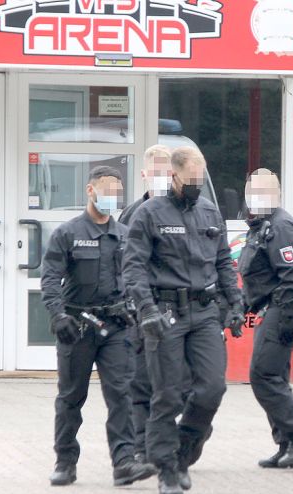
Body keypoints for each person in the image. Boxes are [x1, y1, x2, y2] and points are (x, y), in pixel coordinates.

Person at [121, 146, 245, 494]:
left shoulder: (209, 212)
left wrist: (235, 304)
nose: (196, 185)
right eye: (190, 178)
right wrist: (145, 310)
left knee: (211, 389)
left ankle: (183, 452)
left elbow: (224, 262)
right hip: (165, 311)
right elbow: (133, 267)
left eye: (200, 178)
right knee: (167, 394)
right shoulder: (149, 214)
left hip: (205, 312)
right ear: (174, 175)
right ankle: (166, 469)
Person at [40, 166, 157, 488]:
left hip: (117, 328)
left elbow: (136, 277)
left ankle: (124, 463)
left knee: (121, 394)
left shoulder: (124, 235)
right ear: (90, 191)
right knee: (71, 397)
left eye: (116, 193)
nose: (112, 199)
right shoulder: (68, 233)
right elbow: (50, 279)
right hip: (77, 327)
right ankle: (65, 461)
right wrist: (57, 315)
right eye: (106, 191)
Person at [238, 169, 293, 469]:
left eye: (262, 192)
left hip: (284, 309)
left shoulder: (280, 227)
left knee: (262, 375)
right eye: (251, 191)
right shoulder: (259, 226)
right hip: (270, 309)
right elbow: (258, 277)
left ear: (276, 194)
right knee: (276, 377)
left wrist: (284, 320)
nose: (254, 198)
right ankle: (286, 444)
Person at [118, 144, 174, 463]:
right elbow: (122, 262)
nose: (160, 178)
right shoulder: (131, 214)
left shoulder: (191, 211)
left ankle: (184, 434)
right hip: (141, 307)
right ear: (144, 175)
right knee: (140, 381)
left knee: (182, 383)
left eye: (166, 173)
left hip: (180, 308)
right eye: (154, 173)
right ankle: (142, 447)